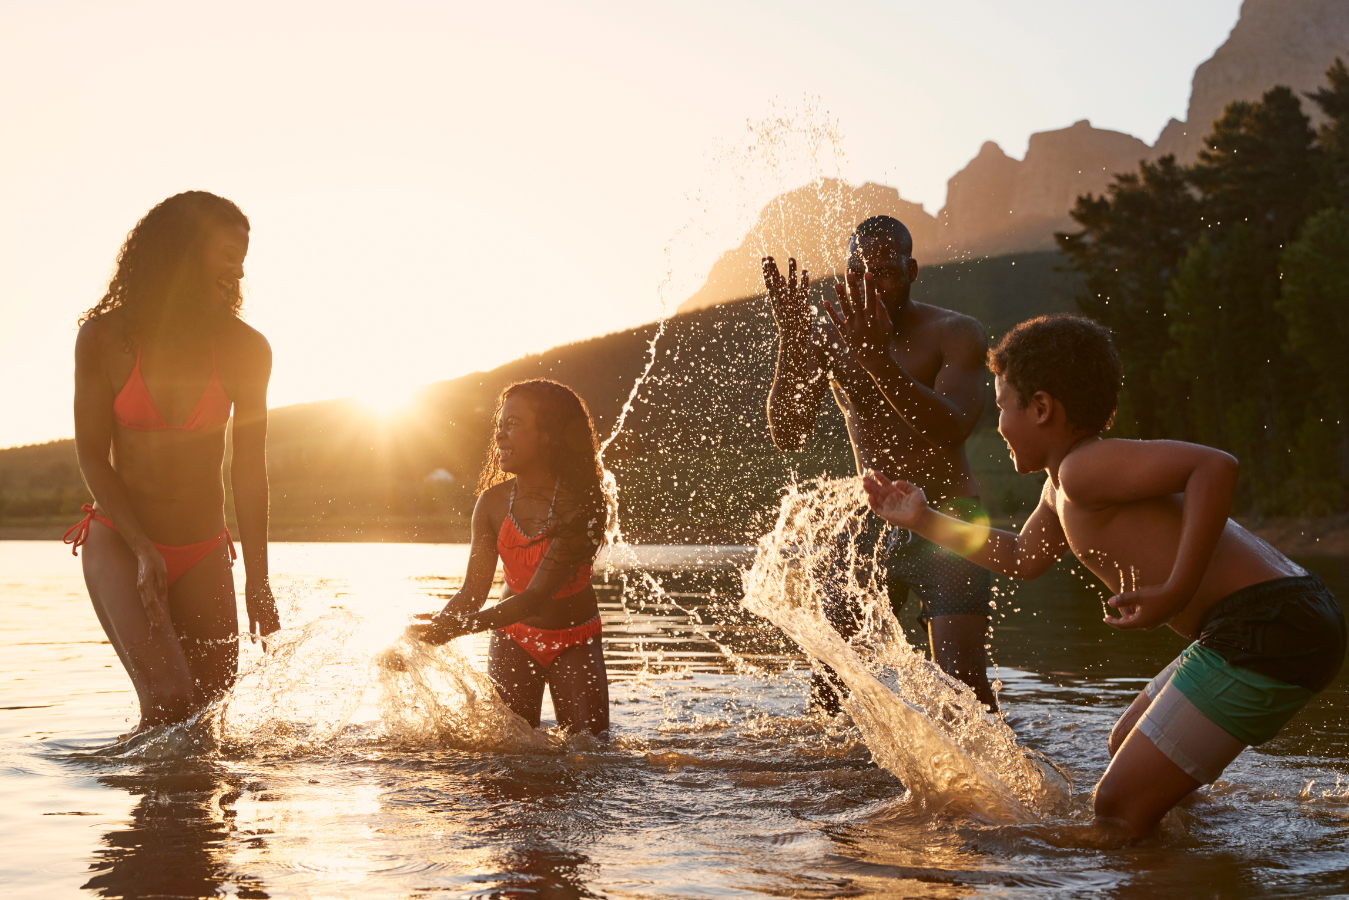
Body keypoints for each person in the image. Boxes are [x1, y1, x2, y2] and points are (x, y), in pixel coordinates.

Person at [864, 313, 1346, 844]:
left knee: (1115, 809)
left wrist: (1177, 590)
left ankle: (1137, 857)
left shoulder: (1085, 467)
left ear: (1042, 408)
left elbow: (1215, 466)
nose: (996, 424)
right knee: (1125, 746)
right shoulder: (1060, 488)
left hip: (1268, 625)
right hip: (1273, 620)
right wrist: (922, 518)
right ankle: (1195, 856)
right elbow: (1024, 557)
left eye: (1002, 405)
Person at [65, 191, 280, 733]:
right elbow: (92, 455)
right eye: (226, 255)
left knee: (206, 721)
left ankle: (182, 815)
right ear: (181, 252)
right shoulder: (105, 340)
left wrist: (258, 580)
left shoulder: (245, 348)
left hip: (204, 548)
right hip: (120, 538)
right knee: (168, 700)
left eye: (242, 261)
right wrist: (141, 549)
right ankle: (143, 811)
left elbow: (249, 471)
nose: (237, 272)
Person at [763, 214, 997, 712]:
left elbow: (953, 425)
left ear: (912, 271)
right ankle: (844, 787)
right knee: (829, 695)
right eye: (857, 271)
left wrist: (876, 359)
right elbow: (788, 434)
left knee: (965, 695)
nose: (869, 283)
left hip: (951, 517)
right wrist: (794, 337)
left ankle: (991, 790)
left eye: (886, 271)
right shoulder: (833, 338)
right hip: (869, 522)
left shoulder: (955, 333)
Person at [409, 380, 611, 736]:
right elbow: (471, 593)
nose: (500, 435)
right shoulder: (491, 504)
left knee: (591, 753)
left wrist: (459, 627)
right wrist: (428, 634)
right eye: (499, 425)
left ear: (549, 434)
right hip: (513, 637)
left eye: (514, 424)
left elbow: (535, 598)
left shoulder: (583, 506)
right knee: (509, 754)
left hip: (576, 639)